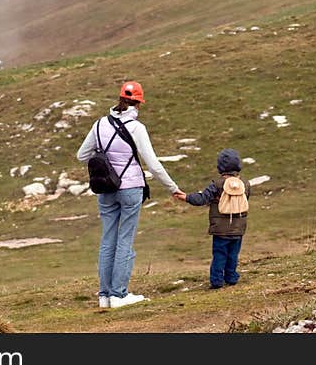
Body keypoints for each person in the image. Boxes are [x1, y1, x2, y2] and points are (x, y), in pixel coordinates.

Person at [77, 81, 181, 308]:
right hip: (131, 189)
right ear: (138, 103)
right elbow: (152, 164)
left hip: (105, 188)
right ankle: (119, 295)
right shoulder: (137, 128)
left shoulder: (99, 125)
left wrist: (104, 157)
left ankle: (104, 297)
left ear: (120, 100)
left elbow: (81, 155)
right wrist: (173, 188)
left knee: (107, 241)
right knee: (125, 240)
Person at [174, 149, 250, 289]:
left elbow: (202, 199)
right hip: (239, 228)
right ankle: (231, 277)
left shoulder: (217, 184)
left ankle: (216, 281)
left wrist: (186, 197)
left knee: (219, 255)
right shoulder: (245, 183)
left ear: (220, 167)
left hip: (220, 229)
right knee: (233, 255)